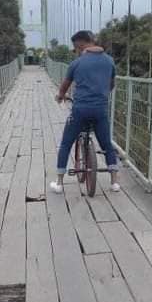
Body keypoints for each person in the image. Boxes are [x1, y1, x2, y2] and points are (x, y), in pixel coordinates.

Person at [51, 30, 120, 194]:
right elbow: (111, 85)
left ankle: (59, 183)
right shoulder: (109, 61)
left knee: (66, 143)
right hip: (100, 110)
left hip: (80, 110)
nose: (76, 51)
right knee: (107, 145)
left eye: (75, 48)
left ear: (80, 44)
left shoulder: (77, 63)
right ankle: (115, 182)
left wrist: (60, 96)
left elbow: (65, 86)